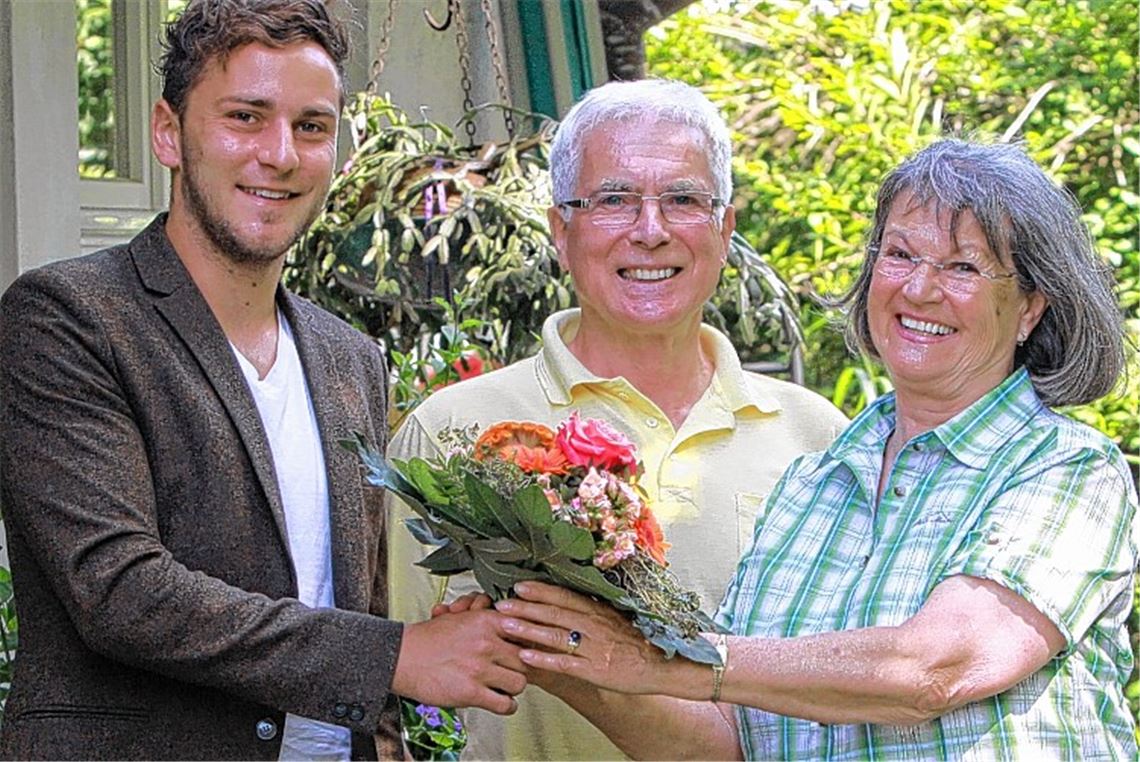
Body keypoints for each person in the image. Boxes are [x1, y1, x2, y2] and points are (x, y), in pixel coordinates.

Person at [492, 137, 1140, 760]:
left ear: (1030, 307)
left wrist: (663, 658)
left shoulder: (1067, 469)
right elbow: (723, 743)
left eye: (962, 266)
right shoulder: (811, 484)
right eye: (899, 254)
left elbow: (937, 667)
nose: (918, 289)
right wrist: (564, 653)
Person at [0, 1, 525, 759]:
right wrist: (396, 654)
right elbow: (118, 592)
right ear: (168, 132)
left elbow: (354, 602)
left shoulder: (351, 358)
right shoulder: (68, 319)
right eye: (246, 116)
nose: (279, 153)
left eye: (311, 126)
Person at [387, 78, 848, 760]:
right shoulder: (452, 434)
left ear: (724, 230)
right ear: (560, 231)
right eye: (613, 200)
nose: (651, 230)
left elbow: (852, 689)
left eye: (684, 199)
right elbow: (395, 702)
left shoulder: (818, 439)